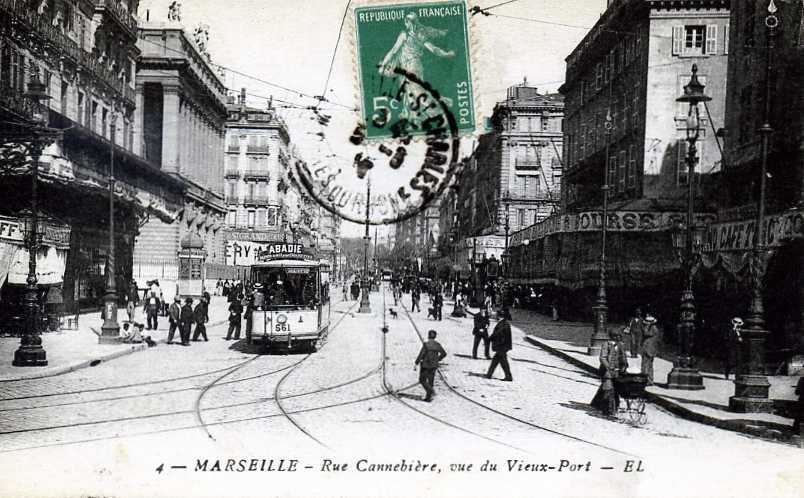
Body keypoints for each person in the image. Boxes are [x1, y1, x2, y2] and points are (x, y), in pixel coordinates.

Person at [591, 328, 629, 416]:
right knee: (608, 389)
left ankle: (603, 405)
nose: (618, 338)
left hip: (617, 371)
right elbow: (602, 358)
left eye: (619, 336)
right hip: (607, 371)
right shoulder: (606, 344)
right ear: (612, 337)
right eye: (616, 336)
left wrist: (625, 365)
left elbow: (623, 356)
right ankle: (608, 410)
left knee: (615, 389)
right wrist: (609, 367)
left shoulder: (620, 345)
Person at [414, 329, 447, 402]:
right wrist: (437, 359)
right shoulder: (437, 344)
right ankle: (428, 398)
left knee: (422, 380)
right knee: (430, 381)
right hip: (434, 365)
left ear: (428, 336)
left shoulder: (426, 344)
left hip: (425, 365)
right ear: (435, 336)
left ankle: (431, 391)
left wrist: (416, 363)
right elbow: (444, 353)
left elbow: (421, 354)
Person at [486, 308, 513, 381]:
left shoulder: (503, 324)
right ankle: (489, 374)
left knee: (503, 362)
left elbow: (497, 333)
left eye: (497, 315)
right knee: (495, 360)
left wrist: (489, 339)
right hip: (503, 345)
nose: (496, 316)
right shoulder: (503, 323)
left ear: (500, 316)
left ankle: (508, 376)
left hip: (502, 346)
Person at [640, 315, 659, 385]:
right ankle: (649, 380)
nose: (645, 324)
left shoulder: (653, 329)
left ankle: (647, 380)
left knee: (646, 365)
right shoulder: (652, 328)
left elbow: (646, 333)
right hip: (648, 349)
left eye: (647, 322)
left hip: (649, 350)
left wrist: (646, 327)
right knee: (648, 365)